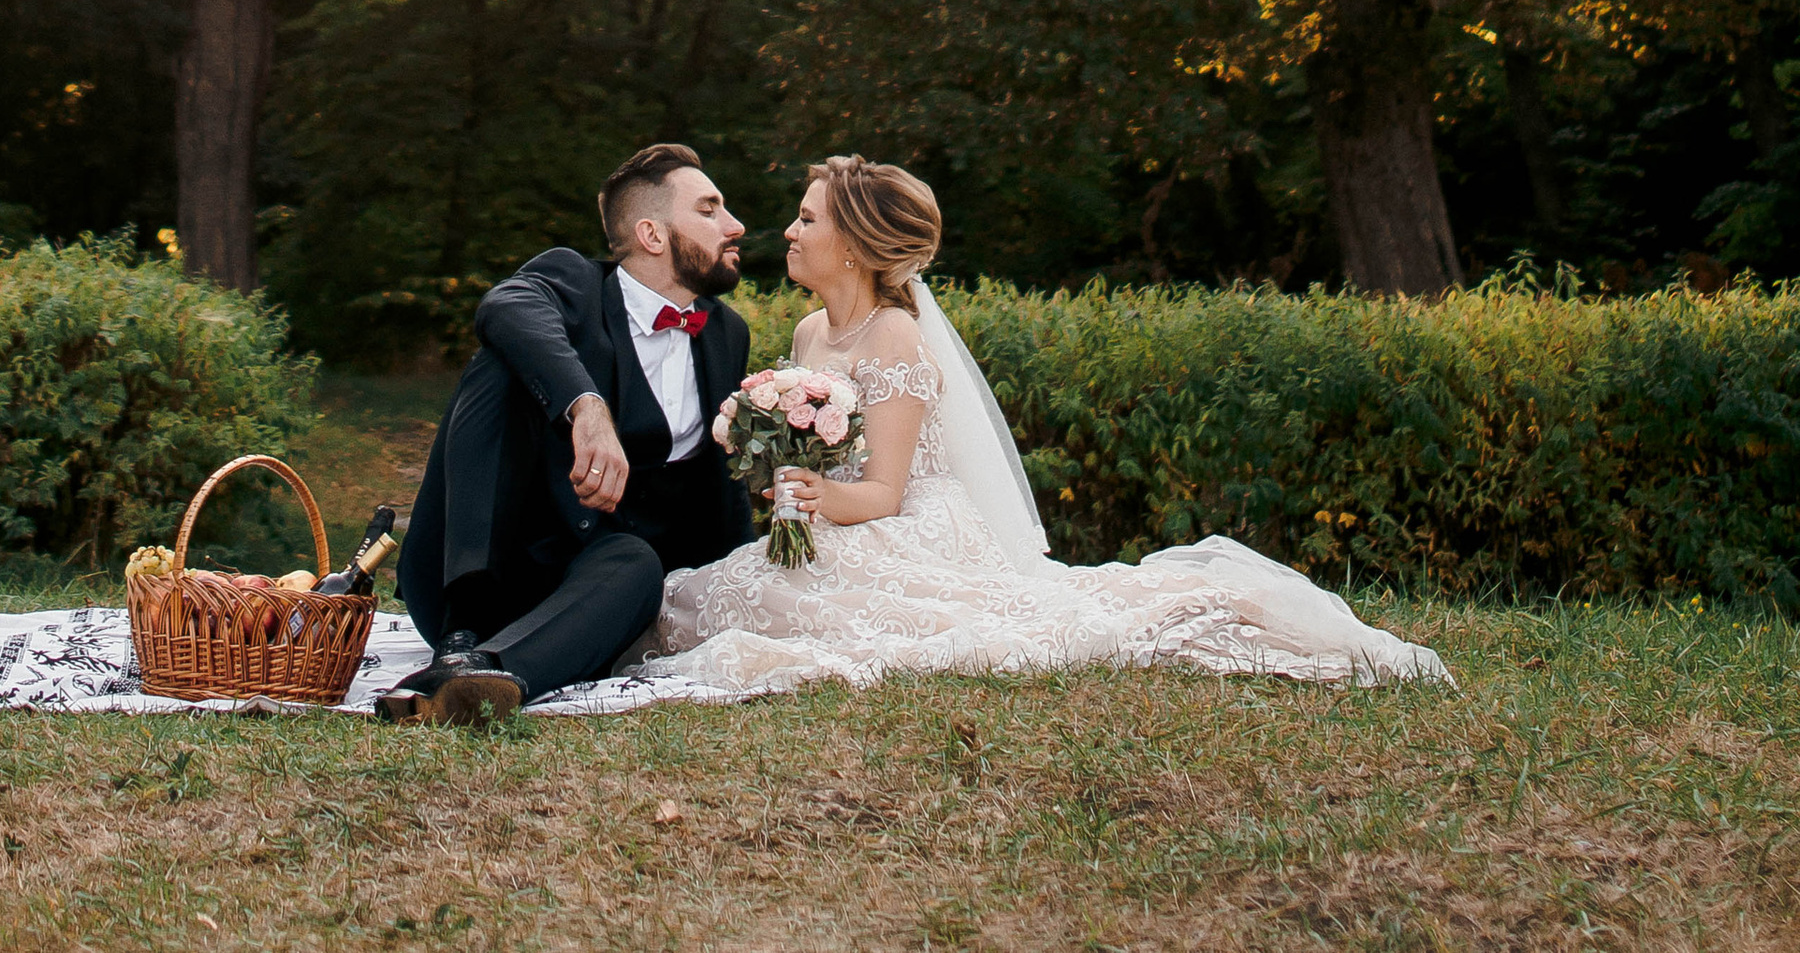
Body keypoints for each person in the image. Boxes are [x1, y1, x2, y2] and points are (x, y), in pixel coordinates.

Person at [635, 154, 1449, 698]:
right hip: (835, 520)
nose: (789, 231)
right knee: (723, 593)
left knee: (784, 603)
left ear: (851, 245)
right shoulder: (811, 333)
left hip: (902, 525)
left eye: (808, 220)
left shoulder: (895, 336)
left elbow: (882, 492)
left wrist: (816, 498)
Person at [384, 142, 756, 723]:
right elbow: (504, 306)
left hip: (592, 592)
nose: (734, 226)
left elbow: (719, 484)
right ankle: (464, 634)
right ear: (652, 235)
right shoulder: (575, 283)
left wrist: (747, 578)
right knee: (500, 363)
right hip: (491, 571)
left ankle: (476, 680)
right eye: (709, 210)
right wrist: (587, 407)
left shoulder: (726, 334)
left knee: (637, 562)